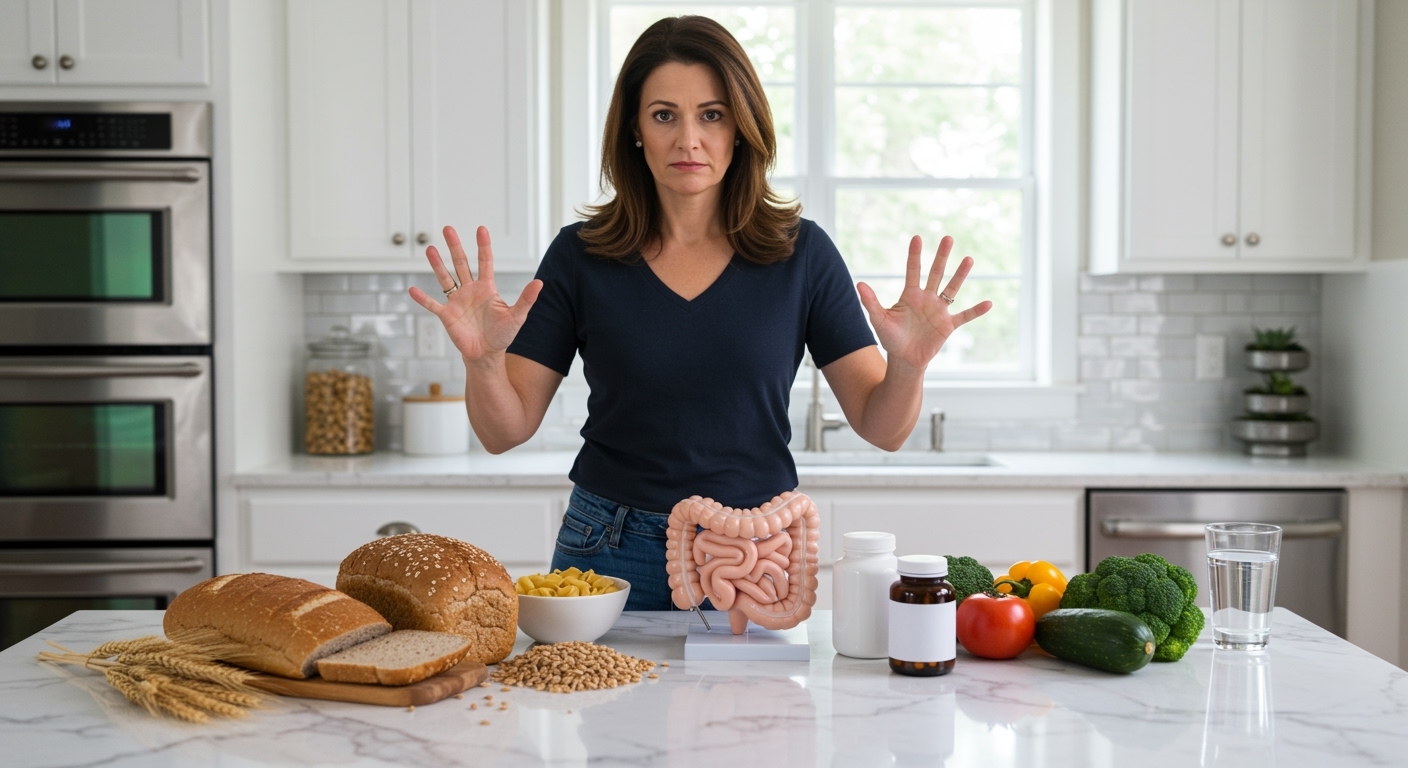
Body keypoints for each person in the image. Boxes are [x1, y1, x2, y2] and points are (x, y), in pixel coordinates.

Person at [409, 16, 991, 610]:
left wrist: (909, 365)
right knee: (599, 706)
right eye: (664, 115)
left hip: (755, 556)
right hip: (606, 551)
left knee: (754, 709)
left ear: (741, 127)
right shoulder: (580, 255)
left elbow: (882, 427)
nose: (689, 139)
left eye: (711, 114)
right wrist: (484, 363)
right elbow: (504, 432)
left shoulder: (802, 254)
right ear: (635, 129)